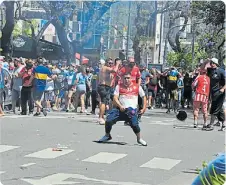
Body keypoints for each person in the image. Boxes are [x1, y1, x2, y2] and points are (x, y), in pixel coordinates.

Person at [98, 73, 147, 146]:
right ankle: (107, 135)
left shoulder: (137, 87)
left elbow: (143, 97)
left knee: (135, 124)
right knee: (108, 120)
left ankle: (139, 139)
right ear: (123, 79)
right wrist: (120, 106)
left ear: (131, 79)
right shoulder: (119, 86)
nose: (126, 80)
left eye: (128, 78)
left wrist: (144, 108)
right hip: (120, 109)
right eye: (125, 78)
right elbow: (115, 98)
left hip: (131, 110)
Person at [98, 59, 120, 124]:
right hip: (103, 87)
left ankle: (101, 116)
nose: (111, 64)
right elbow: (114, 70)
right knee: (103, 102)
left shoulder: (107, 70)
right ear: (106, 63)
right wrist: (117, 64)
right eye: (109, 63)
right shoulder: (105, 68)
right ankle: (101, 118)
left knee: (105, 102)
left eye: (112, 63)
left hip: (106, 87)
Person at [206, 58, 225, 131]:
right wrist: (206, 61)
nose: (211, 64)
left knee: (215, 108)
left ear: (216, 63)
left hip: (220, 92)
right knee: (220, 109)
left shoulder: (221, 71)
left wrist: (223, 88)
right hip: (213, 92)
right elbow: (201, 69)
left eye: (213, 63)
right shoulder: (210, 70)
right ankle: (223, 125)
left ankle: (211, 125)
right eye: (211, 63)